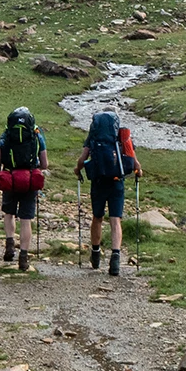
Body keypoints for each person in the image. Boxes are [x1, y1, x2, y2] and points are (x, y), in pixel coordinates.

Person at [75, 109, 141, 275]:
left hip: (98, 182)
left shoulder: (94, 136)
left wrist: (77, 170)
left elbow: (82, 159)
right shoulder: (122, 135)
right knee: (115, 219)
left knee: (97, 217)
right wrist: (138, 172)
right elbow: (134, 162)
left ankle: (96, 254)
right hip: (116, 182)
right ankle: (115, 258)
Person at [0, 106, 47, 271]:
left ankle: (10, 246)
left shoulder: (6, 134)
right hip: (29, 181)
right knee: (26, 220)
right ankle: (23, 258)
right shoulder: (36, 135)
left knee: (9, 214)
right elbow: (45, 164)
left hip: (10, 179)